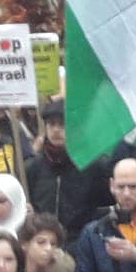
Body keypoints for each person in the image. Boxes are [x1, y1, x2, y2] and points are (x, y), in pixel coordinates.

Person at [22, 100, 112, 238]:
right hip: (43, 240)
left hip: (81, 239)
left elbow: (105, 203)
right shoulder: (34, 166)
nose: (56, 130)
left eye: (62, 124)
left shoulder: (93, 166)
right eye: (51, 124)